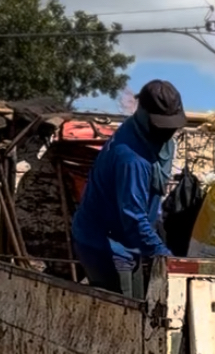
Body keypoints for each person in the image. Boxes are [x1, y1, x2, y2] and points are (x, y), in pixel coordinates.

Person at [71, 79, 187, 298]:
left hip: (130, 239)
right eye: (161, 124)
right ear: (143, 113)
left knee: (141, 304)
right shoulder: (131, 158)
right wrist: (166, 257)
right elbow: (133, 218)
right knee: (122, 314)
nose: (167, 132)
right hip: (104, 244)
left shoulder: (150, 137)